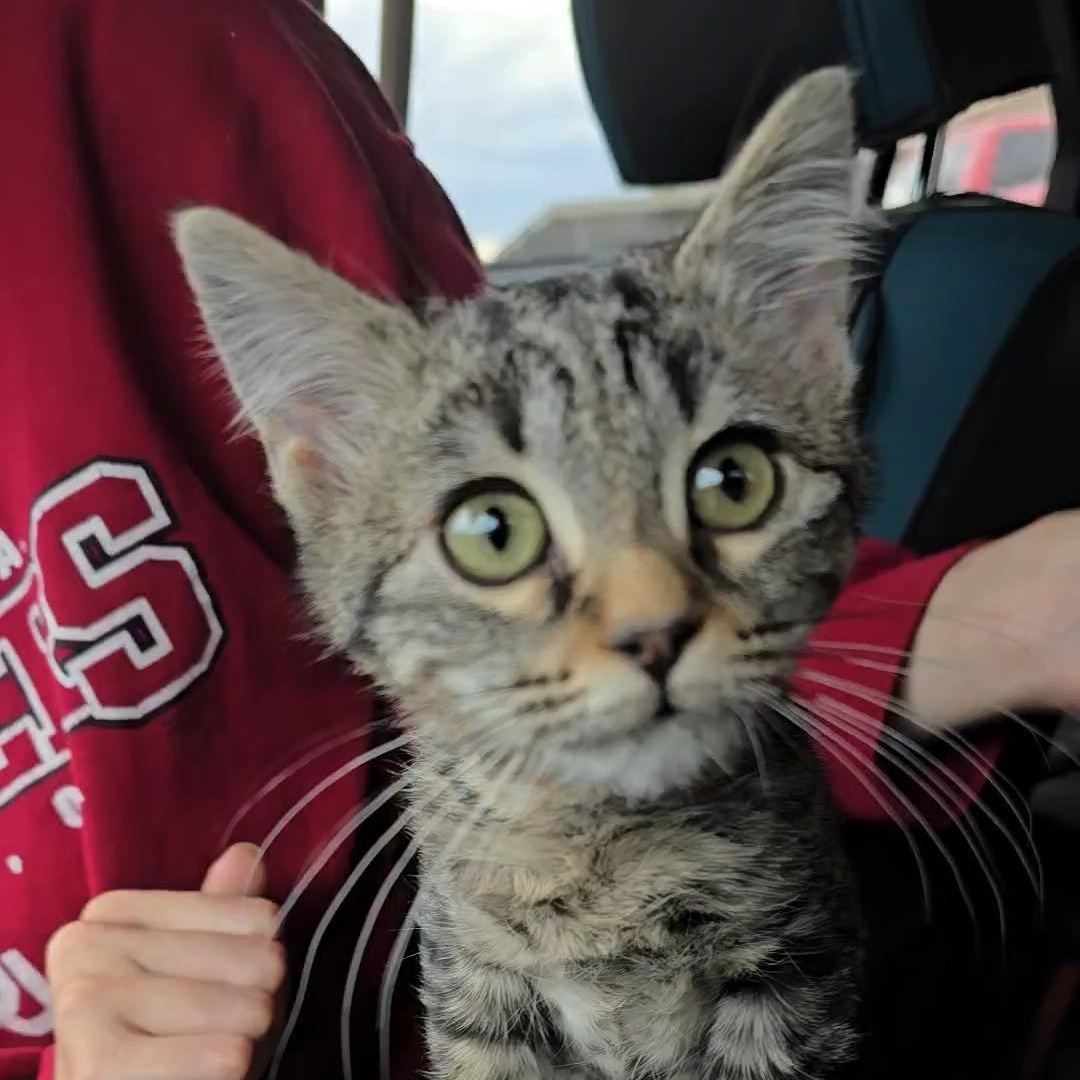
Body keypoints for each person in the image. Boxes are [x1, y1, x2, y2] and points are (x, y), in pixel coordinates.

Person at [0, 1, 1076, 1078]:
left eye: (730, 483)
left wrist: (985, 623)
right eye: (497, 531)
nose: (648, 616)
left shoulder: (141, 44)